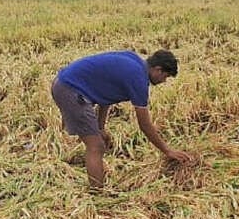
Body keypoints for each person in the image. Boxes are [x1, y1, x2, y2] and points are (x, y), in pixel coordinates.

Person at [51, 49, 192, 189]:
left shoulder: (134, 61)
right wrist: (167, 151)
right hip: (71, 90)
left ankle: (97, 186)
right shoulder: (138, 79)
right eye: (165, 77)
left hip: (63, 82)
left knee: (97, 142)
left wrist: (100, 127)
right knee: (96, 146)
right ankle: (97, 194)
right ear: (158, 70)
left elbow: (105, 93)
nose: (164, 81)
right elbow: (144, 125)